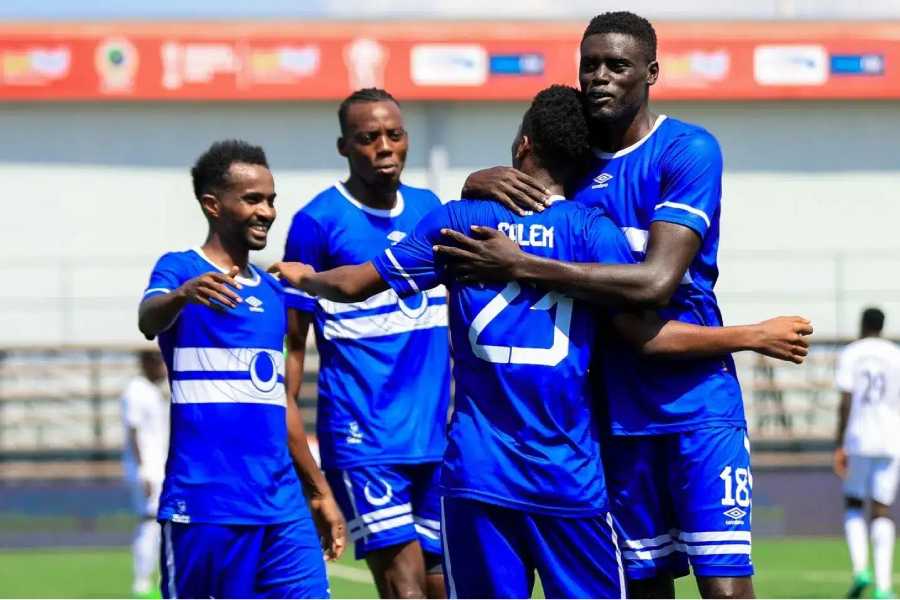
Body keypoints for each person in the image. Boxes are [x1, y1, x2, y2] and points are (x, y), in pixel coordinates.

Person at [270, 85, 811, 599]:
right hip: (568, 473)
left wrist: (304, 278)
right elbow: (644, 336)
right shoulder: (592, 233)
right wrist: (750, 335)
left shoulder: (460, 221)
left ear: (523, 144)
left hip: (478, 472)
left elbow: (353, 285)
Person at [439, 11, 813, 599]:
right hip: (612, 416)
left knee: (724, 589)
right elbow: (511, 206)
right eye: (590, 66)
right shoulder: (574, 168)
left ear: (651, 72)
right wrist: (478, 182)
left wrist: (521, 266)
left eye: (617, 65)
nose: (600, 77)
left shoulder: (686, 150)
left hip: (696, 405)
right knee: (643, 587)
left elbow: (656, 283)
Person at [137, 139, 345, 599]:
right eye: (253, 199)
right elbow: (148, 319)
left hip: (282, 506)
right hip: (206, 505)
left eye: (271, 199)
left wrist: (319, 491)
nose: (267, 211)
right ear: (212, 205)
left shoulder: (272, 293)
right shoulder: (180, 269)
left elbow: (280, 402)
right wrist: (182, 295)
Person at [282, 87, 449, 599]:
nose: (384, 147)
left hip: (435, 438)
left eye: (394, 135)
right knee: (405, 590)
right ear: (344, 147)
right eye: (369, 137)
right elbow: (293, 344)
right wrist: (295, 453)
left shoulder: (430, 209)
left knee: (445, 587)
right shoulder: (316, 223)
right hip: (364, 439)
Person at [834, 308, 900, 599]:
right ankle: (884, 588)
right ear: (883, 326)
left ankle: (861, 569)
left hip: (859, 437)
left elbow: (846, 400)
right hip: (891, 439)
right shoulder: (895, 354)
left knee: (854, 502)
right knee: (882, 508)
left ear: (862, 324)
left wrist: (840, 443)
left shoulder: (852, 352)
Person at [121, 349, 169, 598]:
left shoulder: (153, 391)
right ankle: (141, 583)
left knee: (160, 525)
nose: (163, 368)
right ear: (147, 363)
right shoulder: (136, 391)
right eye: (159, 363)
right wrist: (143, 471)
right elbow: (134, 432)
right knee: (149, 523)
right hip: (147, 470)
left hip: (158, 468)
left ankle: (157, 580)